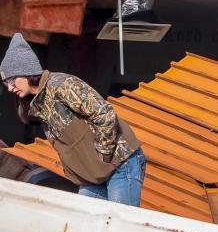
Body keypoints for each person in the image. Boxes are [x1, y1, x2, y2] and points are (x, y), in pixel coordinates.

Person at [0, 32, 145, 206]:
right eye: (5, 83)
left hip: (120, 165)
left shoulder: (62, 85)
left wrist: (103, 157)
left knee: (121, 227)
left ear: (26, 71)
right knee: (84, 228)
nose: (9, 88)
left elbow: (105, 114)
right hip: (92, 177)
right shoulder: (39, 104)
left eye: (12, 80)